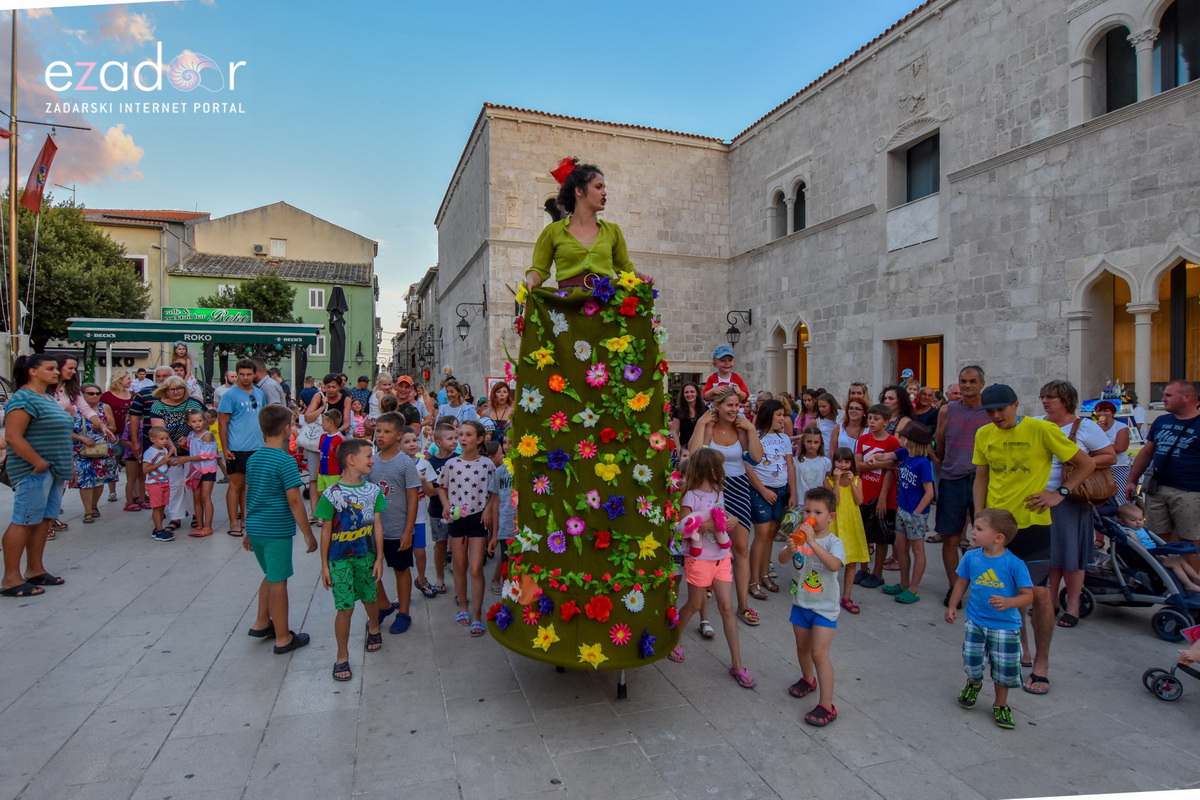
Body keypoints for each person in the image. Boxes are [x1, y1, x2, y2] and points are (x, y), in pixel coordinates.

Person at [972, 383, 1094, 696]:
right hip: (999, 527)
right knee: (1005, 591)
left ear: (1016, 405)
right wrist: (978, 520)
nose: (996, 416)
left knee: (1039, 595)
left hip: (1034, 525)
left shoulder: (1041, 430)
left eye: (1001, 409)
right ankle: (1020, 650)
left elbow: (1086, 463)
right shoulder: (984, 434)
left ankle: (1042, 663)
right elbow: (982, 478)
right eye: (990, 410)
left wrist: (1060, 494)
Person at [667, 447, 757, 689]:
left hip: (721, 556)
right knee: (695, 604)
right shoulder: (690, 497)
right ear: (710, 469)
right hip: (698, 559)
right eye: (719, 466)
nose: (723, 470)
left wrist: (732, 521)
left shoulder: (719, 492)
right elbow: (683, 527)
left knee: (727, 607)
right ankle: (673, 639)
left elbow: (724, 516)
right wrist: (707, 524)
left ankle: (737, 663)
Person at [945, 508, 1034, 730]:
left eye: (979, 529)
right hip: (976, 622)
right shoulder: (971, 557)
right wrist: (953, 604)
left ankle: (1000, 704)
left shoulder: (1014, 564)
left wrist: (1009, 602)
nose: (972, 532)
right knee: (972, 662)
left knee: (1003, 670)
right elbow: (962, 582)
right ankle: (974, 683)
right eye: (973, 527)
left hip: (1005, 627)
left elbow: (1028, 595)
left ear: (998, 537)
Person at [1037, 380, 1115, 628]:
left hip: (1072, 498)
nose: (1046, 401)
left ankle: (1073, 605)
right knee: (1048, 555)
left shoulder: (1084, 426)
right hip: (1042, 496)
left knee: (1070, 555)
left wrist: (1079, 464)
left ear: (1066, 400)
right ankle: (1049, 602)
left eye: (1051, 397)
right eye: (1043, 397)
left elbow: (1109, 455)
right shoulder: (1037, 423)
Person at [244, 404, 318, 654]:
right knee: (278, 582)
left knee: (271, 574)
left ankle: (262, 622)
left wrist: (246, 527)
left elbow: (250, 493)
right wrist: (308, 532)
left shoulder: (254, 458)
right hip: (276, 530)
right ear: (288, 430)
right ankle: (283, 637)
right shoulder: (285, 461)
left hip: (256, 528)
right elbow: (295, 499)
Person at [689, 388, 765, 626]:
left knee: (741, 547)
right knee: (710, 545)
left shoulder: (742, 429)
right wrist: (701, 423)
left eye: (737, 406)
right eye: (729, 405)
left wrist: (751, 429)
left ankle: (743, 604)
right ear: (718, 407)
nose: (734, 410)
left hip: (739, 486)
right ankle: (707, 600)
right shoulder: (709, 427)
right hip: (712, 489)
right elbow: (693, 453)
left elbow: (756, 457)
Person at [316, 438, 387, 681]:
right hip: (339, 560)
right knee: (344, 607)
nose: (372, 460)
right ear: (351, 459)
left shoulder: (373, 491)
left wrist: (379, 557)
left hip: (366, 556)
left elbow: (377, 525)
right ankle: (342, 656)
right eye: (368, 456)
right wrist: (324, 565)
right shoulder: (332, 494)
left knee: (370, 598)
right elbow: (326, 530)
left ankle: (374, 627)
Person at [2, 354, 73, 596]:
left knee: (43, 520)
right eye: (50, 368)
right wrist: (38, 463)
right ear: (32, 371)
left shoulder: (46, 398)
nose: (56, 372)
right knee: (24, 520)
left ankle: (35, 569)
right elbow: (13, 436)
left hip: (55, 470)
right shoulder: (23, 398)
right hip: (34, 471)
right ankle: (11, 578)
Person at [780, 486, 845, 726]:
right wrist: (790, 547)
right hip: (801, 603)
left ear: (831, 517)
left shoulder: (833, 542)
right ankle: (808, 679)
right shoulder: (799, 536)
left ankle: (826, 705)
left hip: (825, 609)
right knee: (801, 647)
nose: (811, 516)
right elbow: (782, 559)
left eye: (818, 512)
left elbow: (834, 565)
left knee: (819, 653)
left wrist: (812, 542)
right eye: (807, 510)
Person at [1127, 380, 1200, 571]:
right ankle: (1167, 580)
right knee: (1158, 537)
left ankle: (1192, 586)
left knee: (1190, 540)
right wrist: (1132, 480)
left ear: (1187, 397)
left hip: (1191, 492)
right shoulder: (1161, 421)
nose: (1162, 399)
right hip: (1157, 489)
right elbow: (1146, 453)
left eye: (1168, 395)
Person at [436, 420, 495, 637]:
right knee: (459, 565)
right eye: (461, 434)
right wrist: (446, 506)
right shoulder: (452, 465)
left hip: (478, 519)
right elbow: (441, 487)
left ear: (479, 439)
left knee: (476, 567)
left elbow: (493, 492)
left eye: (468, 435)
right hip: (457, 520)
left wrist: (488, 509)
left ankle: (477, 614)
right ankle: (463, 606)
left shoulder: (487, 464)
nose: (462, 439)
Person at [932, 366, 989, 591]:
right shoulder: (948, 410)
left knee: (986, 535)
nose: (967, 385)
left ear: (981, 384)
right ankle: (954, 587)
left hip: (982, 480)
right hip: (952, 477)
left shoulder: (990, 410)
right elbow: (941, 439)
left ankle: (985, 587)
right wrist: (947, 463)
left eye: (972, 381)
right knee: (950, 536)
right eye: (963, 381)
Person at [368, 413, 422, 635]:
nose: (381, 435)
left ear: (399, 435)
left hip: (398, 529)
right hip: (374, 530)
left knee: (401, 569)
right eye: (378, 430)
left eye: (387, 431)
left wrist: (408, 531)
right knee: (372, 571)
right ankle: (384, 605)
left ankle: (404, 613)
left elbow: (412, 499)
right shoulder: (371, 460)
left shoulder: (405, 464)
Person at [746, 400, 796, 599]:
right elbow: (748, 466)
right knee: (761, 534)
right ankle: (753, 580)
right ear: (768, 416)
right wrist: (763, 490)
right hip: (761, 491)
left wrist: (793, 493)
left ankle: (765, 573)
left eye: (783, 415)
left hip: (781, 491)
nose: (783, 419)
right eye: (779, 415)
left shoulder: (784, 438)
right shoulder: (755, 436)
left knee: (771, 534)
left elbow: (789, 465)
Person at [884, 422, 935, 604]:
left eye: (904, 437)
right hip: (902, 508)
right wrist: (873, 458)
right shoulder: (905, 454)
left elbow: (930, 492)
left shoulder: (922, 463)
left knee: (917, 549)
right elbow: (889, 455)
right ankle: (904, 583)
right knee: (900, 546)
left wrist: (916, 512)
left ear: (912, 441)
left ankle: (913, 589)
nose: (901, 439)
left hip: (915, 513)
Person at [149, 376, 204, 534]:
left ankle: (195, 514)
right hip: (170, 451)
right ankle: (175, 517)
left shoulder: (193, 403)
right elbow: (159, 430)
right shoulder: (158, 406)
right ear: (166, 390)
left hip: (191, 451)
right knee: (174, 485)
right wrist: (171, 444)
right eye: (173, 389)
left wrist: (190, 437)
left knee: (192, 484)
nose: (177, 391)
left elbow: (204, 422)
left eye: (180, 388)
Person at [218, 360, 266, 538]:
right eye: (242, 374)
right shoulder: (230, 395)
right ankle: (233, 522)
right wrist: (225, 448)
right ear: (237, 374)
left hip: (258, 446)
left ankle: (246, 519)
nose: (245, 377)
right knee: (235, 485)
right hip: (238, 447)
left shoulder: (260, 393)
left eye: (249, 374)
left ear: (254, 374)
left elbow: (262, 419)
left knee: (249, 485)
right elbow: (222, 423)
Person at [855, 404, 901, 589]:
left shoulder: (892, 443)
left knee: (881, 535)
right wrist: (879, 464)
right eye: (870, 418)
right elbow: (858, 465)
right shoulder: (863, 439)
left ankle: (878, 572)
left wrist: (883, 497)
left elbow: (891, 470)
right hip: (863, 493)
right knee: (863, 534)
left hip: (884, 496)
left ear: (886, 421)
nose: (872, 422)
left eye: (877, 419)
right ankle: (863, 568)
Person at [1117, 504, 1200, 592]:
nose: (1138, 522)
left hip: (1154, 553)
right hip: (1146, 557)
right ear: (1122, 521)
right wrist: (1153, 554)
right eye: (1133, 520)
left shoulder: (1141, 529)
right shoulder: (1129, 532)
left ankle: (1196, 579)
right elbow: (1138, 546)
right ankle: (1188, 585)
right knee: (1174, 564)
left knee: (1179, 559)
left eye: (1141, 519)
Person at [417, 424, 456, 596]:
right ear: (438, 442)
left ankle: (457, 574)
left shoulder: (459, 459)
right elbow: (430, 492)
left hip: (457, 510)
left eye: (456, 438)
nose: (454, 442)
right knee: (440, 544)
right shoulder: (430, 462)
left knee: (457, 545)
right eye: (450, 439)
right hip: (437, 510)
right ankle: (439, 577)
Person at [128, 366, 174, 510]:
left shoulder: (179, 393)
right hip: (151, 442)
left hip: (176, 442)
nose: (160, 379)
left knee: (175, 477)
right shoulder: (144, 393)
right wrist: (135, 442)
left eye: (164, 376)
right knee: (155, 474)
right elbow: (134, 417)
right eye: (158, 376)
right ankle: (159, 508)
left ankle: (175, 507)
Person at [71, 382, 118, 524]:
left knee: (99, 479)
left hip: (102, 448)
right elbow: (66, 430)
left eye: (98, 393)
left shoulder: (105, 408)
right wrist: (81, 438)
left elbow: (113, 427)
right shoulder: (73, 409)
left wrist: (100, 427)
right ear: (82, 395)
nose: (95, 396)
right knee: (85, 480)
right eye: (91, 393)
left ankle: (94, 505)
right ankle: (88, 511)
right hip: (81, 449)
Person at [826, 448, 866, 614]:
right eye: (839, 461)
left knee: (851, 562)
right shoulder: (828, 480)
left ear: (852, 464)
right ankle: (829, 596)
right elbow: (835, 501)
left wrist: (851, 483)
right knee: (831, 562)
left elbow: (859, 500)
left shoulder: (856, 480)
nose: (843, 465)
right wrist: (836, 481)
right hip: (835, 523)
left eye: (846, 462)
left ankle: (846, 597)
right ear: (834, 462)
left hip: (852, 522)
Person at [401, 427, 438, 599]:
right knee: (402, 557)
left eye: (414, 440)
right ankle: (402, 591)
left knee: (420, 552)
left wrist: (422, 480)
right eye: (406, 441)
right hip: (400, 518)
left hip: (419, 516)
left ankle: (421, 579)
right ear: (398, 445)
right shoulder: (397, 465)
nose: (412, 444)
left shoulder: (424, 464)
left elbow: (431, 492)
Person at [174, 408, 218, 537]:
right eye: (194, 421)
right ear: (189, 423)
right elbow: (194, 449)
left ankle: (208, 526)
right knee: (196, 498)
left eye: (200, 420)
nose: (197, 423)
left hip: (207, 470)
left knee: (205, 497)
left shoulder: (207, 435)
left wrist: (186, 459)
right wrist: (184, 445)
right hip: (195, 470)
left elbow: (205, 455)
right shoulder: (191, 435)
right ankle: (199, 524)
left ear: (204, 421)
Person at [100, 370, 135, 506]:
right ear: (119, 379)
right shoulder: (106, 396)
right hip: (112, 432)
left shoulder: (131, 395)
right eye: (128, 378)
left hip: (129, 432)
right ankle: (112, 491)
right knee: (112, 462)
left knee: (130, 462)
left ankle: (133, 491)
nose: (130, 381)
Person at [484, 438, 513, 594]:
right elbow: (495, 502)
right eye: (505, 443)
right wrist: (494, 535)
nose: (507, 447)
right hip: (506, 527)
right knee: (507, 566)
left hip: (523, 530)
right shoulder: (501, 471)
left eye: (511, 442)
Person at [142, 426, 174, 542]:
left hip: (164, 482)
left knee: (162, 506)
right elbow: (145, 469)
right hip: (154, 483)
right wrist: (161, 462)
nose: (165, 441)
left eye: (166, 438)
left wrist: (170, 463)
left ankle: (158, 528)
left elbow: (165, 465)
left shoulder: (164, 450)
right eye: (162, 439)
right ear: (153, 439)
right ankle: (159, 530)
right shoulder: (149, 452)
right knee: (156, 507)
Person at [1094, 400, 1131, 500]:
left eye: (1106, 411)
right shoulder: (1093, 427)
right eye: (1099, 411)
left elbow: (1120, 447)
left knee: (1121, 496)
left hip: (1119, 466)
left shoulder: (1121, 427)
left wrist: (1097, 447)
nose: (1102, 414)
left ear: (1113, 413)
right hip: (1100, 466)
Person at [670, 381, 705, 465]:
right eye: (686, 392)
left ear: (697, 393)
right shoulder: (678, 411)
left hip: (701, 448)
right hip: (685, 448)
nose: (689, 394)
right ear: (683, 395)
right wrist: (678, 449)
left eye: (692, 392)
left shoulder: (705, 409)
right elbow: (675, 432)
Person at [317, 410, 346, 493]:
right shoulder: (322, 437)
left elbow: (343, 457)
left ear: (330, 423)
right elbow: (320, 454)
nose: (321, 424)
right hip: (321, 472)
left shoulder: (340, 439)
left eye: (323, 422)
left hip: (334, 473)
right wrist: (317, 469)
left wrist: (344, 471)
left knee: (332, 495)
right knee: (320, 494)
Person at [814, 393, 840, 458]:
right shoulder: (817, 421)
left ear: (831, 405)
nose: (821, 409)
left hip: (838, 452)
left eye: (824, 406)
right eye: (819, 407)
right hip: (823, 453)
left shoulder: (839, 419)